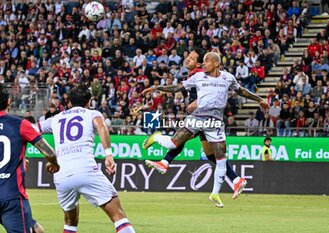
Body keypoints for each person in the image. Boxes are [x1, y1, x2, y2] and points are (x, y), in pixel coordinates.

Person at [142, 52, 269, 208]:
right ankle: (157, 138)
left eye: (206, 61)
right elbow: (178, 87)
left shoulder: (227, 78)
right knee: (172, 144)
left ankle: (215, 192)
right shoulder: (198, 77)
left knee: (220, 157)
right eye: (202, 61)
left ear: (216, 63)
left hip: (214, 123)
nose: (204, 64)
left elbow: (241, 90)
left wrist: (260, 100)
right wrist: (157, 87)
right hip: (196, 118)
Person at [38, 85, 135, 233]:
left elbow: (31, 130)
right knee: (118, 216)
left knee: (70, 222)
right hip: (86, 170)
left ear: (69, 102)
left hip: (61, 175)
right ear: (89, 102)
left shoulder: (55, 119)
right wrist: (108, 154)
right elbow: (102, 127)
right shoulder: (92, 114)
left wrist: (50, 156)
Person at [0, 84, 60, 233]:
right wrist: (53, 164)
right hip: (11, 196)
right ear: (9, 102)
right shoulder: (20, 124)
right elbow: (50, 153)